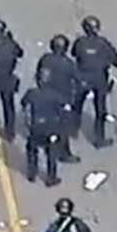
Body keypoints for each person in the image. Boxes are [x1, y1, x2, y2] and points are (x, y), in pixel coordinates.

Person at [71, 15, 117, 148]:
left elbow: (74, 54)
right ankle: (99, 139)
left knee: (77, 105)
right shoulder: (103, 44)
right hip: (99, 79)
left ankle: (73, 130)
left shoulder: (80, 42)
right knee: (100, 110)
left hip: (82, 78)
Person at [36, 34, 81, 162]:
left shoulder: (45, 59)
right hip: (62, 99)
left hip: (46, 96)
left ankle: (45, 141)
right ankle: (64, 153)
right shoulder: (68, 63)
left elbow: (39, 75)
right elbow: (77, 79)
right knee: (63, 128)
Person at [21, 67, 66, 186]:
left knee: (32, 149)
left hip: (36, 127)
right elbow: (63, 106)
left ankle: (32, 173)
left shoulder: (32, 93)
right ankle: (51, 177)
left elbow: (24, 103)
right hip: (51, 127)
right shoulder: (56, 94)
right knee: (51, 153)